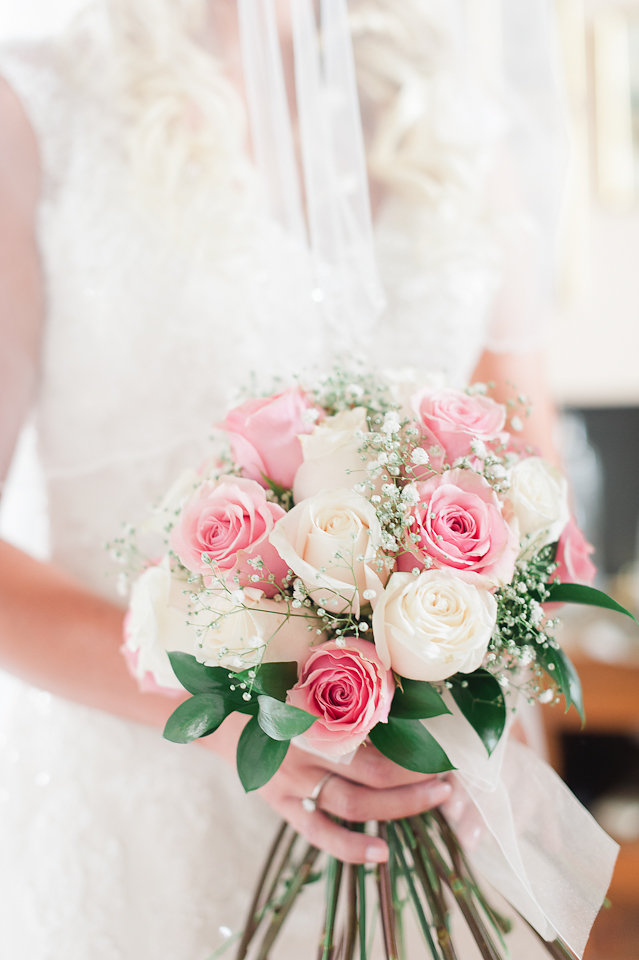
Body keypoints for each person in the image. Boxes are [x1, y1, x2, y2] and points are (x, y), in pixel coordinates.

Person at [0, 1, 563, 956]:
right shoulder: (39, 104)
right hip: (150, 827)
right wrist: (231, 722)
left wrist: (449, 684)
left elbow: (529, 489)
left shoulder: (448, 112)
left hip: (430, 802)